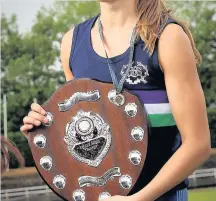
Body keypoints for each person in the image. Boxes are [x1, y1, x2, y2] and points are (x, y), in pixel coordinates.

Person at [20, 0, 211, 201]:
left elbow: (198, 144)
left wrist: (138, 199)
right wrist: (47, 134)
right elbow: (82, 137)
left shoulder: (167, 36)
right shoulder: (72, 42)